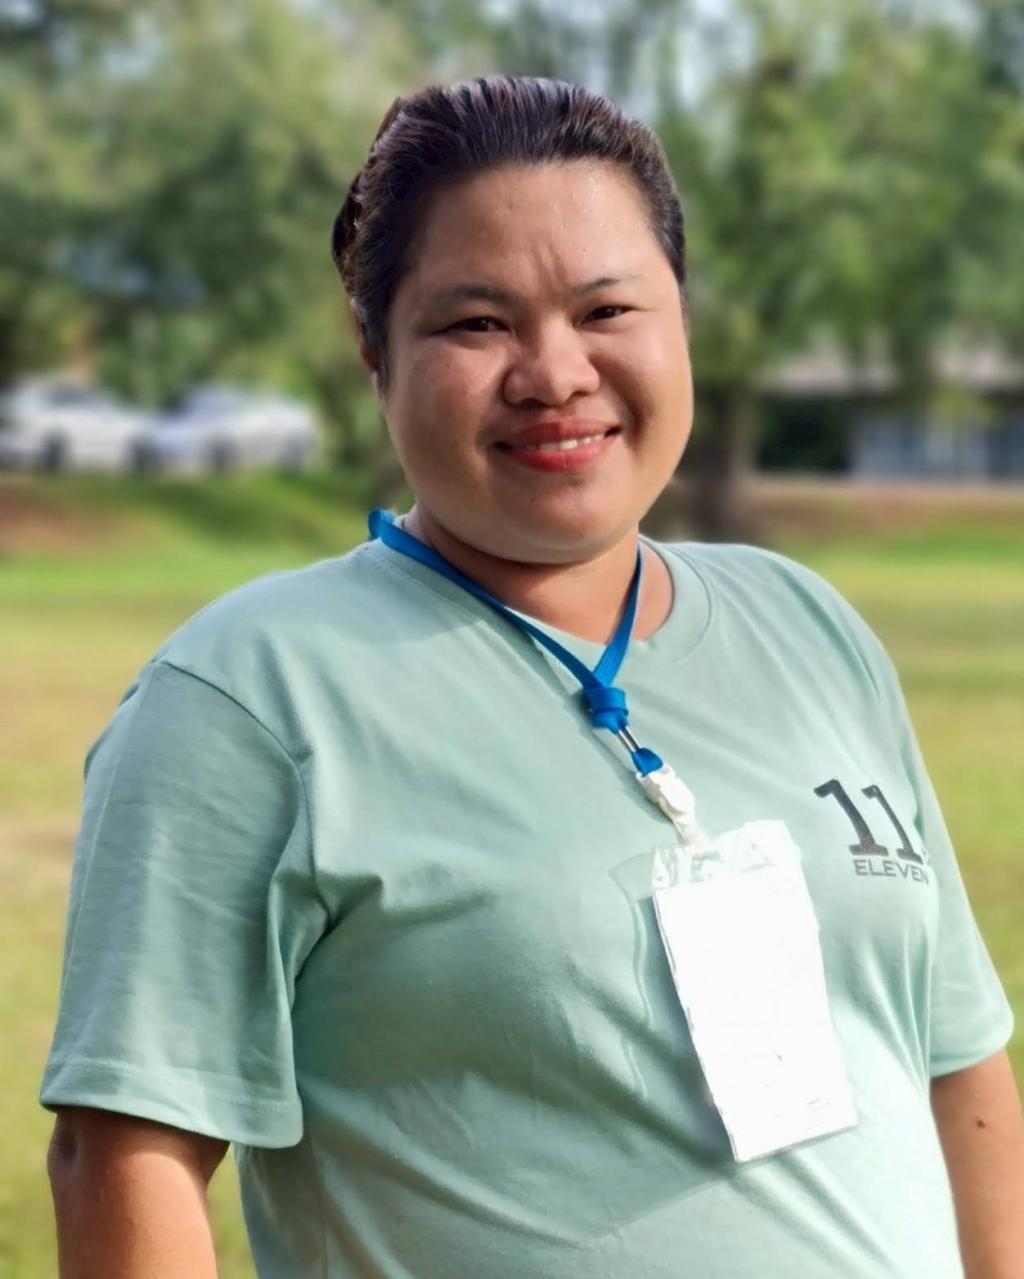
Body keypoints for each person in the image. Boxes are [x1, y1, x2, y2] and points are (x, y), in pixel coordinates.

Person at [41, 76, 1023, 1279]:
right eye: (476, 323)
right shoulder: (249, 696)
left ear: (680, 319)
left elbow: (955, 1062)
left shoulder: (810, 629)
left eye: (606, 308)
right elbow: (124, 1155)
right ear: (374, 353)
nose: (554, 373)